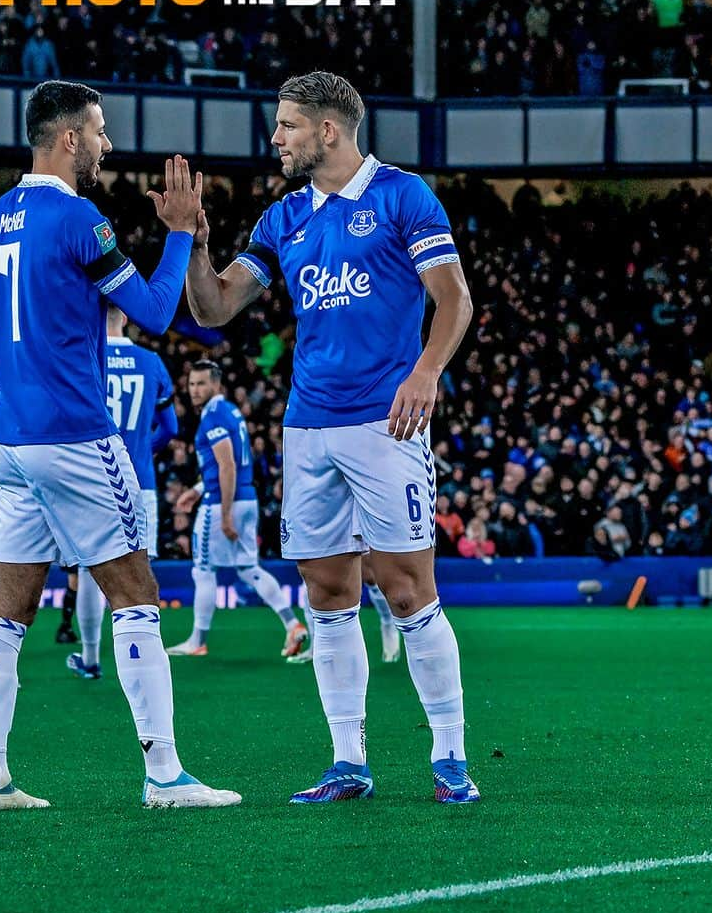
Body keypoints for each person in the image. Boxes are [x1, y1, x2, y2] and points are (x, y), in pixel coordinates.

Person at [184, 71, 479, 805]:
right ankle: (348, 760)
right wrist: (192, 244)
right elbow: (216, 307)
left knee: (410, 591)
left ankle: (450, 757)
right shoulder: (283, 219)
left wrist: (427, 371)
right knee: (326, 593)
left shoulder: (403, 197)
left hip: (386, 423)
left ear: (329, 130)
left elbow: (454, 298)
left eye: (286, 125)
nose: (275, 138)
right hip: (308, 429)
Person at [0, 80, 239, 812]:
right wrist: (181, 233)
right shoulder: (80, 218)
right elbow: (150, 310)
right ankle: (165, 775)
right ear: (67, 139)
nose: (106, 145)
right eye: (99, 131)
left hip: (10, 440)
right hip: (77, 436)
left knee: (7, 609)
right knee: (136, 594)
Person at [66, 304, 179, 681]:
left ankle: (90, 657)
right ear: (127, 317)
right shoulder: (151, 362)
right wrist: (143, 450)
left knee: (87, 570)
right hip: (138, 479)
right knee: (138, 570)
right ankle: (146, 657)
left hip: (89, 477)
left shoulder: (82, 355)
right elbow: (170, 428)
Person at [167, 359, 307, 658]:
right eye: (191, 384)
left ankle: (197, 641)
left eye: (201, 383)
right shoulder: (231, 411)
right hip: (247, 497)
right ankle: (292, 623)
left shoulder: (213, 416)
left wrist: (225, 512)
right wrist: (196, 489)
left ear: (216, 384)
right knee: (248, 568)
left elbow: (227, 465)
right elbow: (232, 465)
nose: (194, 389)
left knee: (203, 571)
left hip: (222, 503)